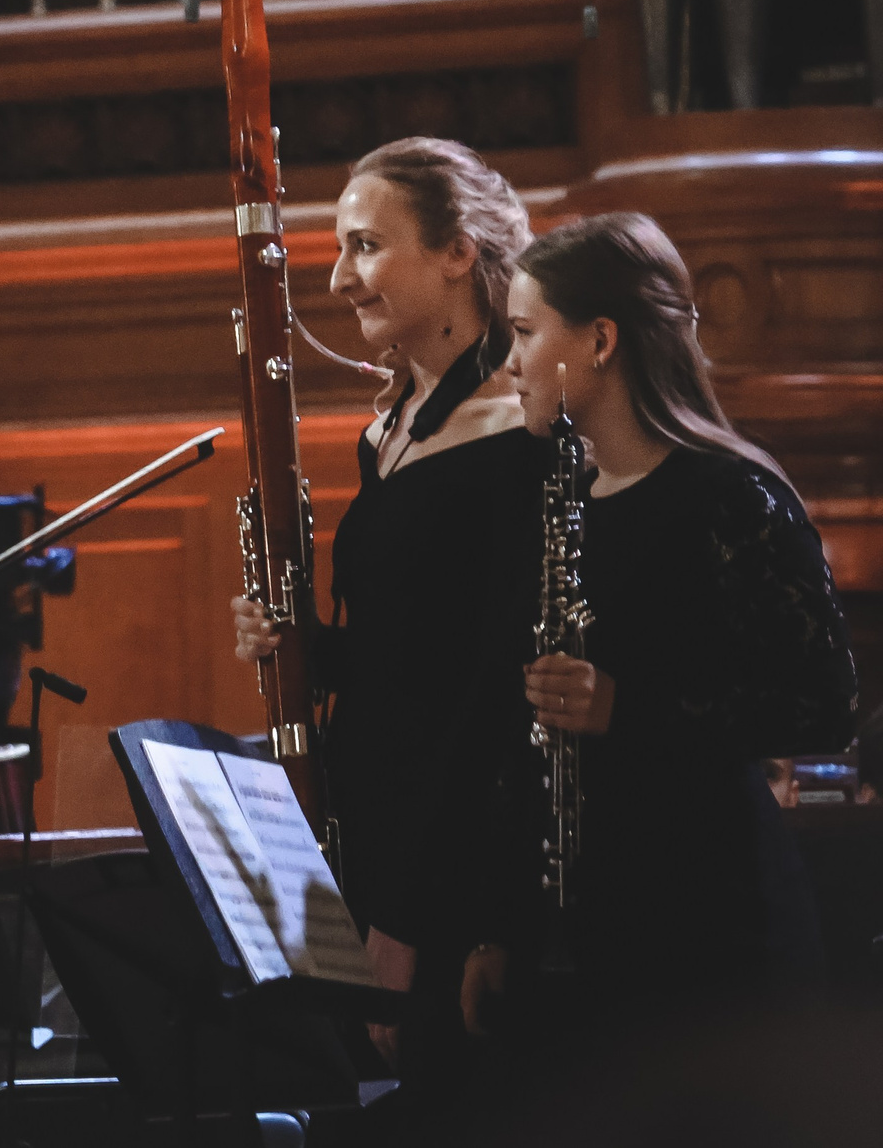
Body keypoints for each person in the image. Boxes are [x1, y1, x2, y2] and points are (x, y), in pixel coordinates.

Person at [230, 138, 543, 1103]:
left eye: (365, 246)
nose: (335, 278)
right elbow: (407, 652)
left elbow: (489, 698)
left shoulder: (517, 436)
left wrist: (407, 918)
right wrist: (302, 647)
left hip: (455, 863)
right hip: (373, 825)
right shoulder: (390, 429)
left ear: (457, 253)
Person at [500, 212, 855, 1012]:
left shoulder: (734, 496)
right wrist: (498, 926)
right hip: (591, 927)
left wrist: (626, 706)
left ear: (600, 340)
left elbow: (824, 702)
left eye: (524, 331)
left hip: (713, 924)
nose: (510, 362)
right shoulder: (561, 503)